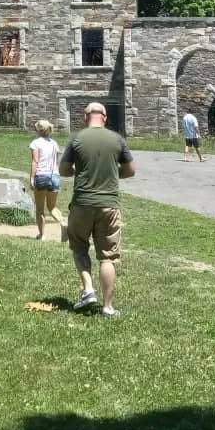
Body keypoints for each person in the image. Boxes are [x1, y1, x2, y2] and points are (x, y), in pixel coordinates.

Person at [59, 101, 135, 318]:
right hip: (109, 205)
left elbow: (63, 169)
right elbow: (130, 170)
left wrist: (78, 171)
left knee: (80, 248)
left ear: (85, 117)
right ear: (105, 117)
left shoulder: (77, 138)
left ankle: (88, 289)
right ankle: (108, 307)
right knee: (107, 257)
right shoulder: (117, 139)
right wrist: (112, 174)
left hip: (82, 203)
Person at [28, 119, 62, 240]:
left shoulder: (35, 143)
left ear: (38, 130)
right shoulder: (54, 143)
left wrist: (32, 178)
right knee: (52, 207)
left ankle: (42, 235)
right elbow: (56, 162)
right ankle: (63, 223)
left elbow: (35, 161)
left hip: (42, 176)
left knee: (40, 209)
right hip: (54, 176)